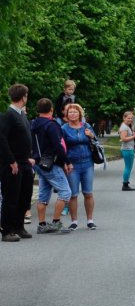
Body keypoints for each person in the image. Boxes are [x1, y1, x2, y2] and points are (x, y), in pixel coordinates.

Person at [31, 98, 72, 233]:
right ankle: (56, 222)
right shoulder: (51, 125)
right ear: (51, 109)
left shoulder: (33, 124)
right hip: (50, 163)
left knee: (43, 193)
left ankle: (42, 225)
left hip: (37, 162)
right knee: (65, 192)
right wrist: (66, 161)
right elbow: (58, 145)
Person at [0, 84, 34, 242]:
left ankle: (19, 226)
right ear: (23, 97)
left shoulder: (22, 114)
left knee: (25, 196)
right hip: (12, 164)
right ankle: (7, 230)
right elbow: (2, 139)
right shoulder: (9, 115)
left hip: (25, 162)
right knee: (11, 197)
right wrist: (11, 160)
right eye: (26, 95)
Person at [61, 103, 97, 230]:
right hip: (72, 164)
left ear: (80, 114)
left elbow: (96, 141)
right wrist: (65, 162)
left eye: (75, 112)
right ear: (66, 115)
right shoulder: (64, 128)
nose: (72, 114)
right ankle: (74, 221)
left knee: (88, 193)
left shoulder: (86, 126)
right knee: (73, 194)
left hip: (87, 163)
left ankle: (90, 220)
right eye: (70, 112)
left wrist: (91, 136)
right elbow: (61, 147)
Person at [119, 111, 135, 191]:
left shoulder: (126, 126)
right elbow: (123, 139)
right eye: (128, 118)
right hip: (127, 149)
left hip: (128, 149)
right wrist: (134, 136)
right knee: (128, 167)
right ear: (124, 118)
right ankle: (125, 184)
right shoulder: (124, 127)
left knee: (128, 167)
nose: (130, 120)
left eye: (131, 118)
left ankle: (126, 183)